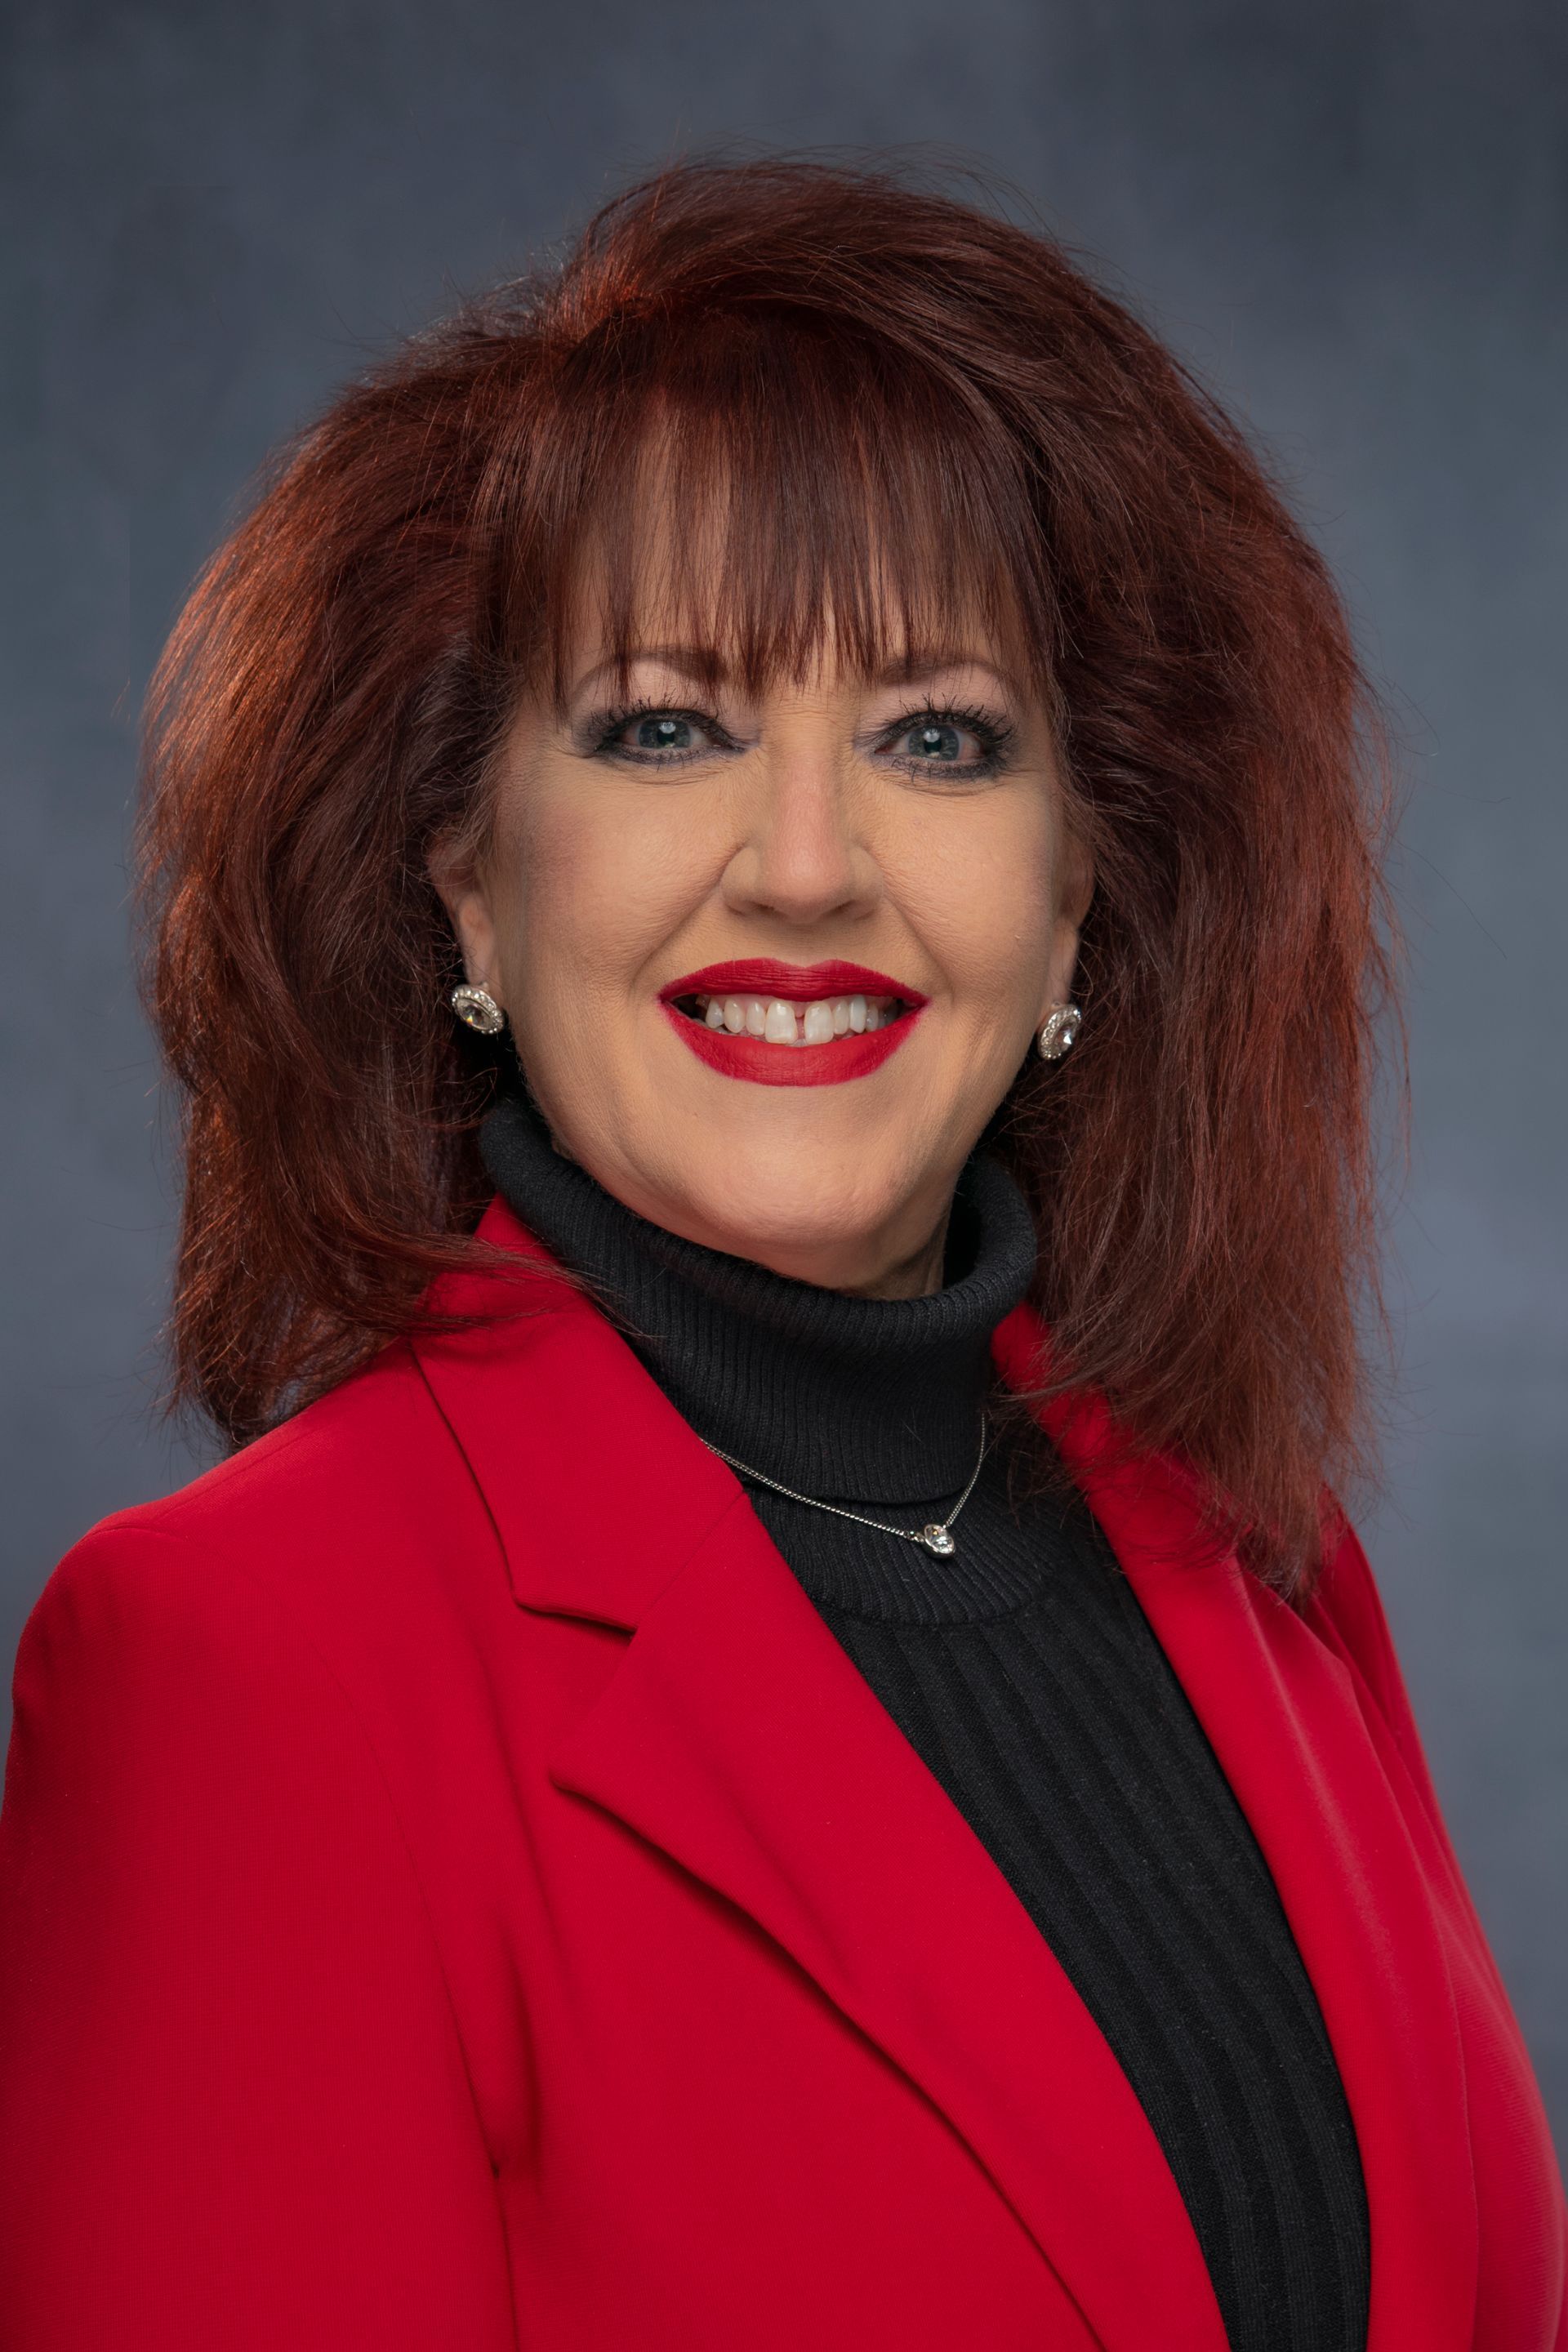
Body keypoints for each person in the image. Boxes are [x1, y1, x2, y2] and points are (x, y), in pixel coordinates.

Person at [0, 157, 1561, 2352]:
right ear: (464, 876)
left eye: (938, 737)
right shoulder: (249, 1664)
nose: (808, 866)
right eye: (665, 726)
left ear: (1080, 887)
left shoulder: (1261, 1561)